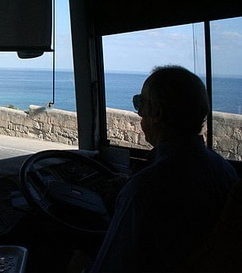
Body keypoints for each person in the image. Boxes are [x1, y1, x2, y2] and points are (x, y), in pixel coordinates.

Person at [90, 65, 238, 272]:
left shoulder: (144, 191)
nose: (139, 112)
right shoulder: (224, 170)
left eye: (140, 103)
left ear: (156, 113)